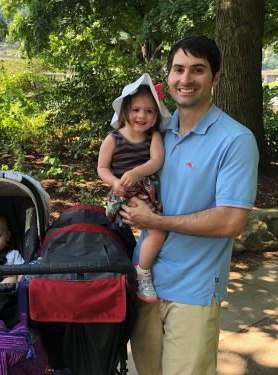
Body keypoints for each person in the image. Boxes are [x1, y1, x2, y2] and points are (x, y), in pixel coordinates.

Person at [120, 36, 259, 374]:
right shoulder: (158, 134)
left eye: (198, 70)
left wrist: (154, 220)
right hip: (145, 279)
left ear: (216, 78)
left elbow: (231, 222)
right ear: (167, 78)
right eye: (178, 69)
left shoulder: (235, 140)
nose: (186, 79)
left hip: (193, 290)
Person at [97, 73, 171, 303]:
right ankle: (134, 273)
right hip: (122, 193)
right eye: (136, 109)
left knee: (158, 230)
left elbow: (156, 161)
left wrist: (137, 172)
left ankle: (142, 270)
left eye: (149, 111)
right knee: (128, 232)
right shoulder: (114, 139)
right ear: (125, 111)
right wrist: (115, 182)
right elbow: (102, 168)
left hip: (145, 189)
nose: (142, 116)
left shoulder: (153, 136)